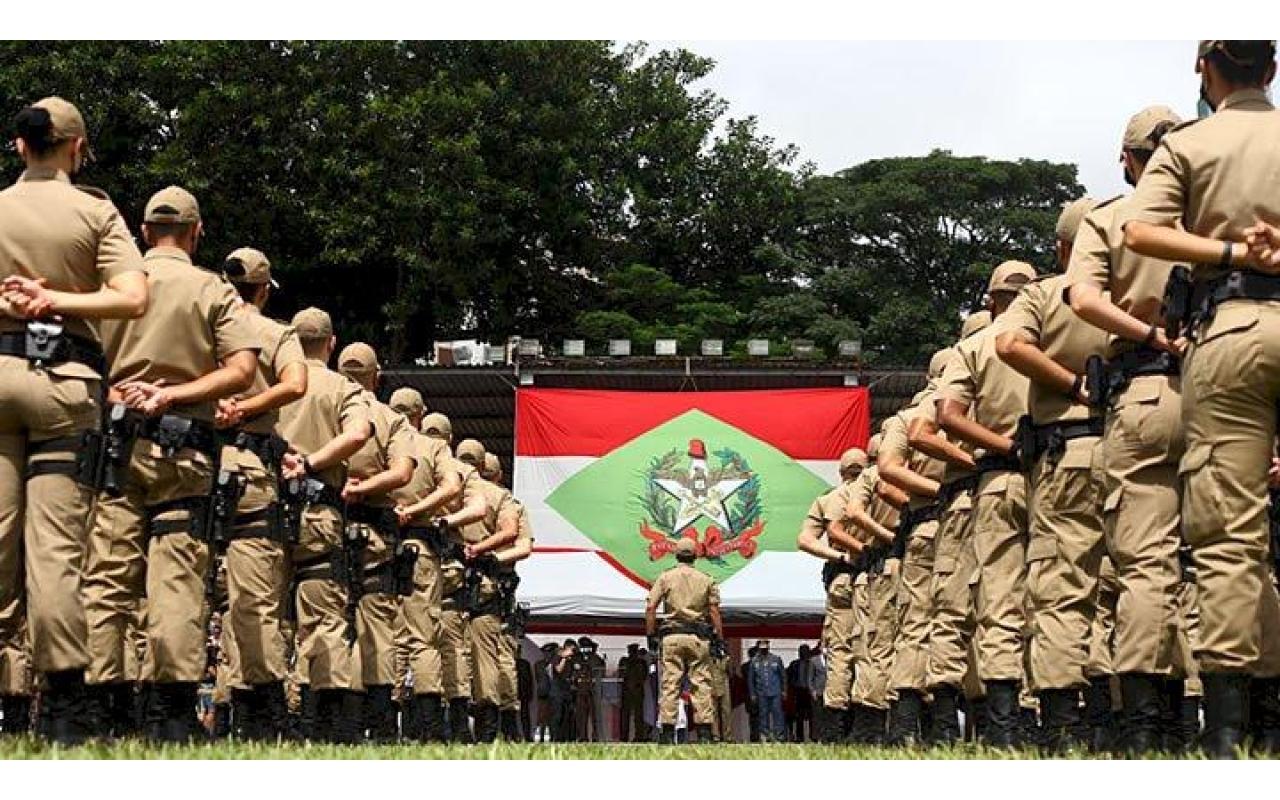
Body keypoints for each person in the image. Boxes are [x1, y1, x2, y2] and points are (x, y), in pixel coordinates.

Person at [1121, 40, 1280, 757]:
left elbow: (1140, 230)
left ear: (1204, 69)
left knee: (1228, 537)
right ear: (1272, 69)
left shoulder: (1191, 145)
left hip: (1235, 330)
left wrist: (1233, 254)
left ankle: (1230, 735)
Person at [82, 185, 259, 743]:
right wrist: (176, 395)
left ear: (142, 230)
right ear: (196, 231)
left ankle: (99, 709)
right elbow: (242, 370)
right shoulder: (212, 290)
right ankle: (172, 713)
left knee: (108, 579)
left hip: (114, 449)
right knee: (177, 582)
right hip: (183, 455)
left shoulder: (112, 286)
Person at [0, 97, 148, 744]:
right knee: (54, 550)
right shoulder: (95, 211)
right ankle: (62, 705)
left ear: (19, 147)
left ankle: (5, 700)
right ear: (76, 148)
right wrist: (54, 299)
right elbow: (133, 296)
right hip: (64, 384)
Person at [1065, 104, 1194, 754]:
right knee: (1229, 556)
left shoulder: (1110, 217)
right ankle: (1233, 713)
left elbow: (1084, 299)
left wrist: (1147, 332)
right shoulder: (1208, 210)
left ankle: (1148, 722)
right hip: (1221, 389)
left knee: (1144, 564)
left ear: (1127, 159)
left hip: (1144, 389)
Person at [996, 201, 1111, 752]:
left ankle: (1065, 721)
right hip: (1133, 450)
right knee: (1133, 578)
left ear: (1064, 249)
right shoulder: (1134, 290)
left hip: (1065, 450)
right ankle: (1139, 714)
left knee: (1062, 586)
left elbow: (1009, 343)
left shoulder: (1045, 295)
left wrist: (1070, 386)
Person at [932, 262, 1034, 748]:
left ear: (990, 299)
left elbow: (941, 418)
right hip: (1057, 470)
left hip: (995, 479)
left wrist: (998, 446)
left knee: (996, 600)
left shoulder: (972, 349)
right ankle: (1061, 717)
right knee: (1065, 595)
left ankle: (1003, 724)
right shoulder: (1053, 339)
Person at [214, 247, 308, 741]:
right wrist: (252, 405)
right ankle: (265, 714)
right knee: (256, 598)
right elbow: (296, 383)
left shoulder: (202, 322)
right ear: (265, 288)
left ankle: (159, 707)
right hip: (249, 472)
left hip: (194, 458)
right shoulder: (273, 333)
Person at [275, 307, 373, 743]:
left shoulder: (272, 381)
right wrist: (312, 464)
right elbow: (357, 435)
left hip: (267, 510)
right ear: (330, 343)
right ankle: (325, 726)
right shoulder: (341, 389)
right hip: (317, 513)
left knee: (264, 615)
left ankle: (266, 718)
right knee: (324, 620)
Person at [877, 353, 952, 746]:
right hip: (972, 512)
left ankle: (909, 725)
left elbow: (887, 475)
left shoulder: (907, 418)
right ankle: (959, 723)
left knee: (916, 622)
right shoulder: (978, 399)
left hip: (924, 523)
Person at [388, 387, 467, 742]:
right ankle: (430, 727)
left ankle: (377, 720)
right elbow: (453, 489)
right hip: (419, 546)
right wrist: (417, 511)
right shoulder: (433, 449)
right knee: (423, 639)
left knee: (378, 634)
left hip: (375, 543)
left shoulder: (375, 435)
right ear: (420, 413)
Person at [796, 447, 868, 741]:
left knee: (839, 651)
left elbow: (804, 539)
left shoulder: (828, 499)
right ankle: (869, 720)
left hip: (841, 577)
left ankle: (836, 725)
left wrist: (837, 556)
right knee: (874, 647)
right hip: (874, 575)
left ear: (841, 472)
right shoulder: (876, 493)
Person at [453, 438, 520, 742]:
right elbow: (517, 539)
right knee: (487, 659)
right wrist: (482, 551)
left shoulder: (443, 491)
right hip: (485, 583)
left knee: (444, 650)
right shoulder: (499, 496)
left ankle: (443, 726)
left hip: (446, 579)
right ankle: (489, 730)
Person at [646, 538, 723, 744]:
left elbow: (651, 607)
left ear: (676, 554)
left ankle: (668, 732)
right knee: (702, 683)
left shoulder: (665, 577)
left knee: (670, 683)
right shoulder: (706, 579)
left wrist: (651, 634)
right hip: (698, 637)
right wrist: (719, 637)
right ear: (696, 556)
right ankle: (705, 733)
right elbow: (714, 611)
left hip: (672, 636)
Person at [747, 640, 786, 742]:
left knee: (777, 713)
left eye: (765, 648)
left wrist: (784, 690)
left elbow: (783, 676)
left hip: (775, 692)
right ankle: (764, 735)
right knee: (763, 715)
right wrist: (752, 694)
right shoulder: (754, 661)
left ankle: (779, 735)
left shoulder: (776, 659)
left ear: (768, 647)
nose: (763, 650)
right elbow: (751, 679)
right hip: (761, 692)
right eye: (762, 648)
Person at [618, 643, 649, 742]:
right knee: (636, 716)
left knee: (631, 716)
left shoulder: (626, 661)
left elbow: (622, 674)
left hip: (630, 691)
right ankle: (637, 736)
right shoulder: (640, 662)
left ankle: (626, 737)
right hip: (636, 691)